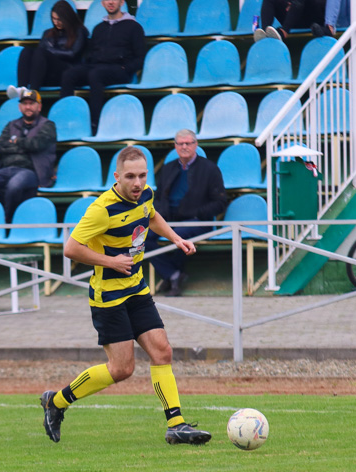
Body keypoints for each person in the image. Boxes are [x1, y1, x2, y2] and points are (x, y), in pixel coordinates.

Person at [40, 145, 212, 446]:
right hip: (108, 297)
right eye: (130, 176)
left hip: (136, 288)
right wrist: (110, 261)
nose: (137, 183)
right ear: (117, 176)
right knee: (122, 369)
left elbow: (151, 215)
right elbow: (70, 249)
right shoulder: (101, 209)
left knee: (162, 351)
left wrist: (176, 238)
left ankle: (176, 425)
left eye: (143, 176)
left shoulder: (145, 194)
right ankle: (56, 402)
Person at [146, 129, 228, 297]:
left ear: (195, 145)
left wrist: (197, 213)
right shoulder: (168, 168)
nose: (184, 147)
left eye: (188, 143)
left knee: (179, 236)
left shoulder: (210, 169)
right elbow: (159, 197)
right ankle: (173, 275)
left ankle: (173, 278)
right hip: (170, 219)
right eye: (180, 144)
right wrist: (161, 215)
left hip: (198, 221)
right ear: (175, 146)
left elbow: (220, 203)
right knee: (143, 236)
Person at [0, 88, 56, 223]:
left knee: (14, 186)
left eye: (32, 103)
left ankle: (8, 219)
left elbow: (37, 144)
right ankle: (2, 210)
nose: (28, 107)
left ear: (39, 106)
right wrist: (25, 146)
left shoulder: (48, 125)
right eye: (25, 103)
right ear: (19, 107)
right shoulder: (12, 125)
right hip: (7, 169)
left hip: (31, 171)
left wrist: (16, 141)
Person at [59, 0, 145, 130]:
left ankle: (95, 124)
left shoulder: (134, 27)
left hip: (119, 69)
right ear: (102, 3)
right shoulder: (98, 28)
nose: (110, 2)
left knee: (96, 74)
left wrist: (126, 68)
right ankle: (67, 120)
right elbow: (91, 55)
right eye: (107, 0)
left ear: (121, 2)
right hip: (96, 66)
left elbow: (140, 57)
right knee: (69, 74)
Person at [10, 0, 88, 94]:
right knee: (26, 51)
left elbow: (72, 54)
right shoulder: (48, 33)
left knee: (41, 52)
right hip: (48, 74)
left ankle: (33, 92)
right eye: (54, 19)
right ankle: (21, 88)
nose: (56, 22)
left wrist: (51, 51)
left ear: (67, 18)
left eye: (59, 19)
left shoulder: (79, 31)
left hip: (68, 72)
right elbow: (39, 58)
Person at [253, 0, 326, 41]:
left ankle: (283, 32)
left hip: (312, 19)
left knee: (298, 2)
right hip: (293, 14)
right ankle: (265, 33)